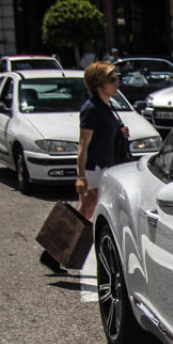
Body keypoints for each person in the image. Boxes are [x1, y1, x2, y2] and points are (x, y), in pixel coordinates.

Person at [49, 61, 127, 273]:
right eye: (112, 80)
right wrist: (80, 176)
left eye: (116, 78)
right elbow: (83, 144)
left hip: (106, 166)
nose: (116, 83)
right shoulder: (91, 108)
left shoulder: (107, 105)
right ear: (99, 83)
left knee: (85, 211)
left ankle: (53, 254)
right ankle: (55, 253)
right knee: (91, 210)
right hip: (95, 168)